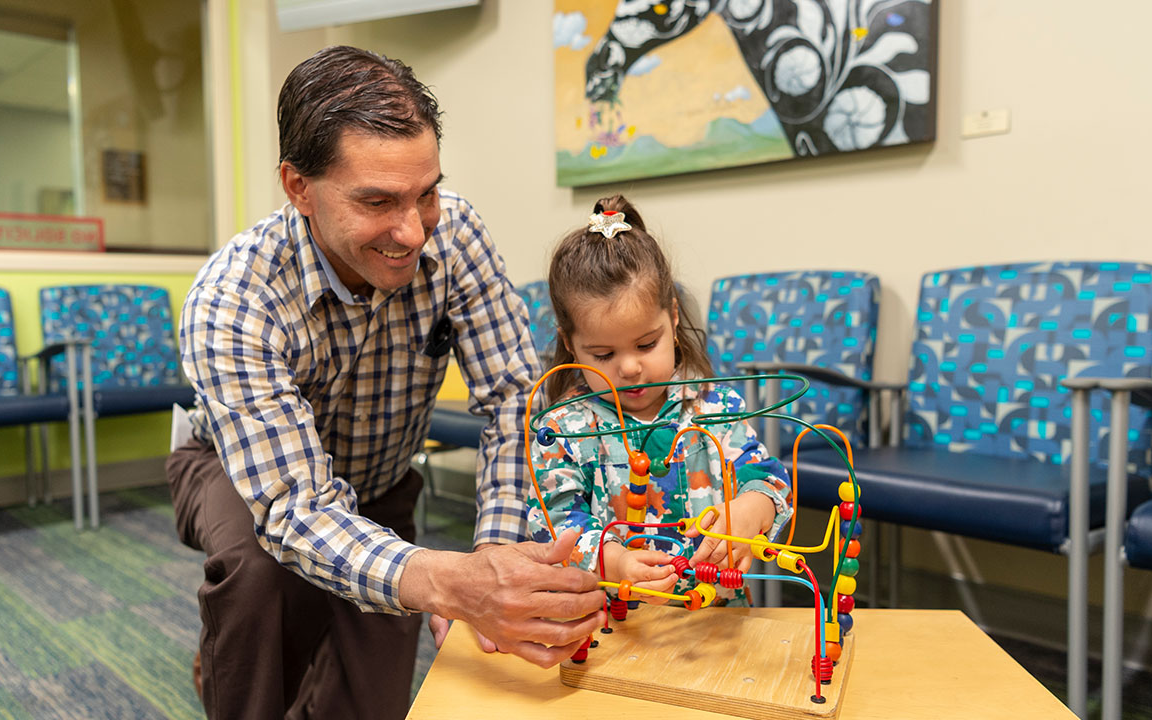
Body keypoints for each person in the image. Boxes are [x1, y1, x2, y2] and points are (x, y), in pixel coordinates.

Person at [167, 45, 604, 720]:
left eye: (424, 192)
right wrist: (446, 581)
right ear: (298, 188)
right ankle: (237, 666)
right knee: (259, 580)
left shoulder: (454, 232)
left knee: (369, 704)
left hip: (380, 480)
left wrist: (491, 557)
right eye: (377, 201)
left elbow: (514, 397)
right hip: (244, 478)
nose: (412, 230)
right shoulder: (233, 300)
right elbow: (295, 509)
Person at [527, 195, 792, 609]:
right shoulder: (560, 430)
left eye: (646, 344)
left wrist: (751, 508)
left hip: (719, 627)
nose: (630, 368)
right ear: (570, 344)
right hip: (615, 631)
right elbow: (554, 521)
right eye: (603, 354)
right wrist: (614, 562)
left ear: (672, 318)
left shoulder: (715, 406)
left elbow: (769, 478)